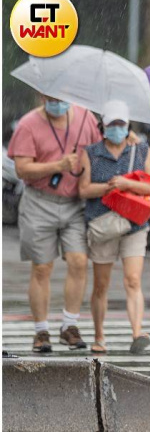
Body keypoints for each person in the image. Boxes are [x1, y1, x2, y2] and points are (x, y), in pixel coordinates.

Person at [8, 94, 102, 352]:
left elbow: (99, 152)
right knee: (42, 267)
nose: (57, 102)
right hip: (40, 201)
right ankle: (41, 331)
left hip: (75, 203)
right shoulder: (29, 124)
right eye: (51, 98)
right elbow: (22, 169)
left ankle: (69, 326)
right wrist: (57, 165)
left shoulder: (85, 118)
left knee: (79, 261)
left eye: (62, 97)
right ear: (42, 96)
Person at [79, 100, 150, 354]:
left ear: (128, 125)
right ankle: (99, 336)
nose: (116, 128)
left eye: (121, 124)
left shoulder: (141, 150)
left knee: (133, 279)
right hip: (102, 225)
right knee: (101, 284)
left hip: (134, 224)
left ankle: (137, 331)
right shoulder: (91, 152)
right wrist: (109, 188)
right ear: (103, 125)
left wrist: (126, 184)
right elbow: (84, 189)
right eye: (112, 124)